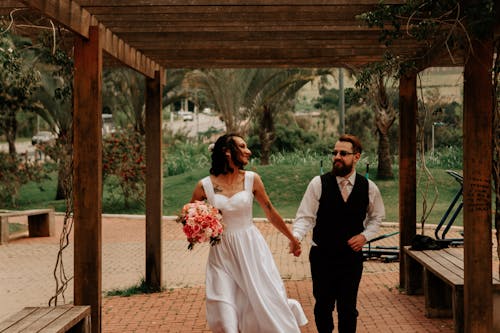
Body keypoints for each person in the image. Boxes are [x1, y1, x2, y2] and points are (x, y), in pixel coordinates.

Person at [189, 133, 308, 333]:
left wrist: (292, 238)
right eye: (242, 146)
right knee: (225, 312)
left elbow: (270, 212)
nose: (248, 151)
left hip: (250, 249)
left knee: (264, 301)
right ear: (227, 152)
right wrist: (199, 229)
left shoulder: (252, 180)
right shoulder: (204, 186)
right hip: (221, 254)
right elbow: (190, 219)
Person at [291, 134, 385, 333]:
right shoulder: (318, 184)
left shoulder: (369, 187)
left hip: (351, 259)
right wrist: (296, 237)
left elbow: (377, 218)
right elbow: (305, 217)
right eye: (335, 153)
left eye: (343, 153)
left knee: (348, 309)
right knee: (323, 307)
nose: (337, 157)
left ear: (356, 157)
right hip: (322, 256)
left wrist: (364, 236)